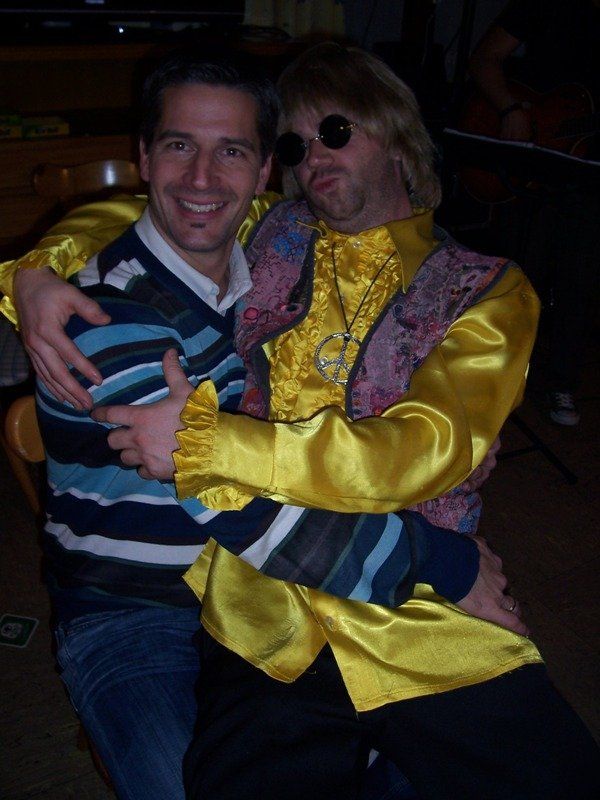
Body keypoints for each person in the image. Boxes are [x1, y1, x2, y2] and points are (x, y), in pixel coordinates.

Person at [20, 43, 595, 798]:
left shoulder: (483, 289)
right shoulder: (266, 238)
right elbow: (155, 209)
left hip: (409, 619)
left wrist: (210, 441)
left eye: (336, 131)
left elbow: (420, 451)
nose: (313, 157)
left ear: (395, 132)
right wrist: (34, 270)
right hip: (236, 601)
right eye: (295, 145)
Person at [469, 0, 600, 425]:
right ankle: (492, 379)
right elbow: (485, 58)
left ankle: (560, 383)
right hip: (531, 164)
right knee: (519, 274)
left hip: (585, 168)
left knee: (579, 277)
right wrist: (510, 109)